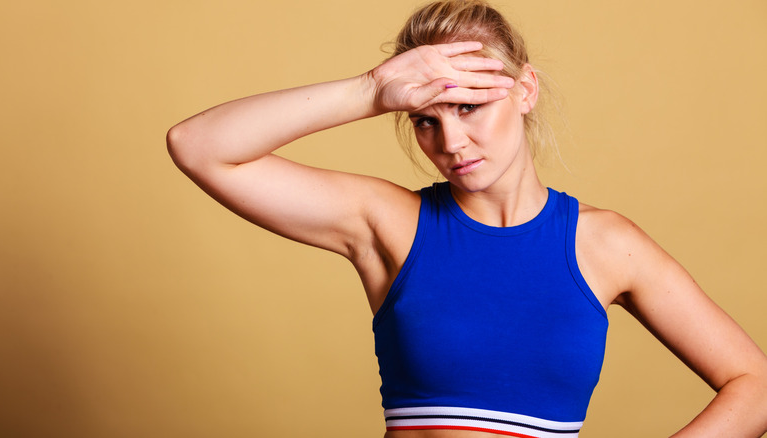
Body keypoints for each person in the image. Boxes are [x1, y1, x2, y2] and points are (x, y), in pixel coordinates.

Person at [166, 0, 767, 436]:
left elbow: (755, 385)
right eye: (426, 117)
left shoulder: (605, 244)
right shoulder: (388, 223)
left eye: (469, 106)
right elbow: (199, 146)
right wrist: (372, 91)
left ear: (525, 90)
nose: (450, 139)